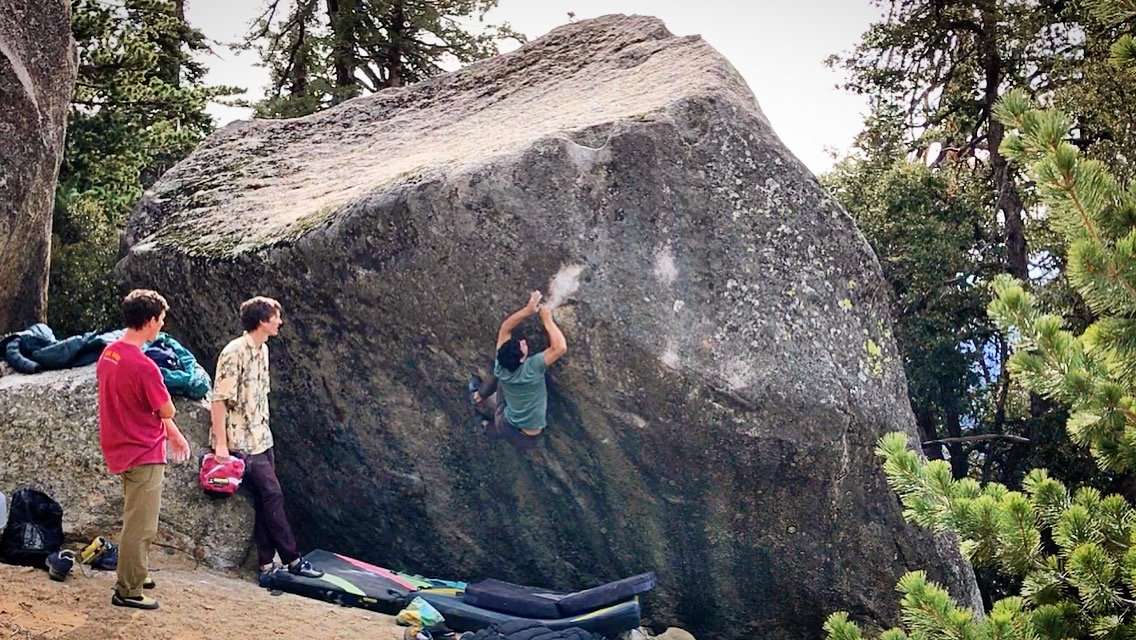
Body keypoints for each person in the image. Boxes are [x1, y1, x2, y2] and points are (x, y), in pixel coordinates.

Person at [209, 296, 323, 583]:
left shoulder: (264, 351)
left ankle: (265, 565)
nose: (280, 321)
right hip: (241, 440)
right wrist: (221, 445)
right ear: (262, 320)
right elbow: (220, 400)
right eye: (276, 316)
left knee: (264, 499)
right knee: (273, 493)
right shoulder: (234, 352)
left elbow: (261, 397)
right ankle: (293, 560)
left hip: (262, 436)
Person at [97, 289, 191, 610]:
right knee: (142, 524)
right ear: (150, 321)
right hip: (144, 451)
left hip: (120, 445)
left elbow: (140, 406)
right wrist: (174, 433)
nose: (162, 326)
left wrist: (174, 436)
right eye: (161, 320)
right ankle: (128, 590)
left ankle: (139, 571)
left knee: (134, 515)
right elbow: (165, 409)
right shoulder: (144, 366)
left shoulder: (110, 354)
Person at [471, 291, 568, 441]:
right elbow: (560, 348)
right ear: (523, 359)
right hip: (522, 430)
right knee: (499, 425)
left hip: (509, 419)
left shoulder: (501, 364)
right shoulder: (532, 368)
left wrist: (527, 310)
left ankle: (478, 397)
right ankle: (484, 422)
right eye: (521, 346)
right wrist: (547, 320)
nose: (523, 342)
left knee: (497, 378)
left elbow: (505, 328)